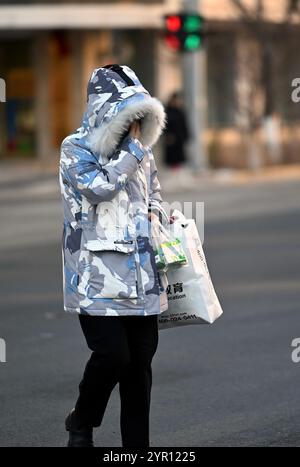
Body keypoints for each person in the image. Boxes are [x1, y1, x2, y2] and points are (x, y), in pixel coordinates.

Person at [59, 64, 169, 447]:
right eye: (128, 115)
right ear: (106, 112)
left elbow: (153, 194)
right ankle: (81, 419)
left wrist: (159, 216)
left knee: (139, 368)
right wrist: (134, 151)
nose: (135, 125)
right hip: (97, 279)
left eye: (140, 116)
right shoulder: (75, 148)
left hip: (143, 277)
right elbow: (98, 189)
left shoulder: (142, 153)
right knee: (112, 356)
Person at [164, 91, 189, 169]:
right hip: (170, 141)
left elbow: (184, 126)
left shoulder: (181, 112)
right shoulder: (167, 112)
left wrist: (185, 137)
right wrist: (167, 136)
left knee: (179, 162)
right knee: (171, 162)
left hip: (179, 140)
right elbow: (164, 126)